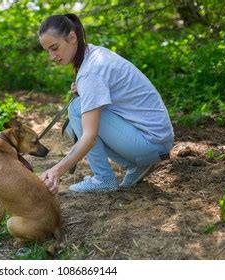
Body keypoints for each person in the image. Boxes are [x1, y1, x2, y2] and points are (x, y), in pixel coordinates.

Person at [38, 13, 174, 194]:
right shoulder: (93, 54)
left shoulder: (91, 71)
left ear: (72, 37)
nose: (52, 56)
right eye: (48, 51)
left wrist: (57, 170)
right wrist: (84, 89)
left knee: (77, 110)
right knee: (77, 117)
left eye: (54, 48)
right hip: (157, 141)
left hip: (151, 143)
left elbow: (90, 137)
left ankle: (103, 179)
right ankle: (136, 165)